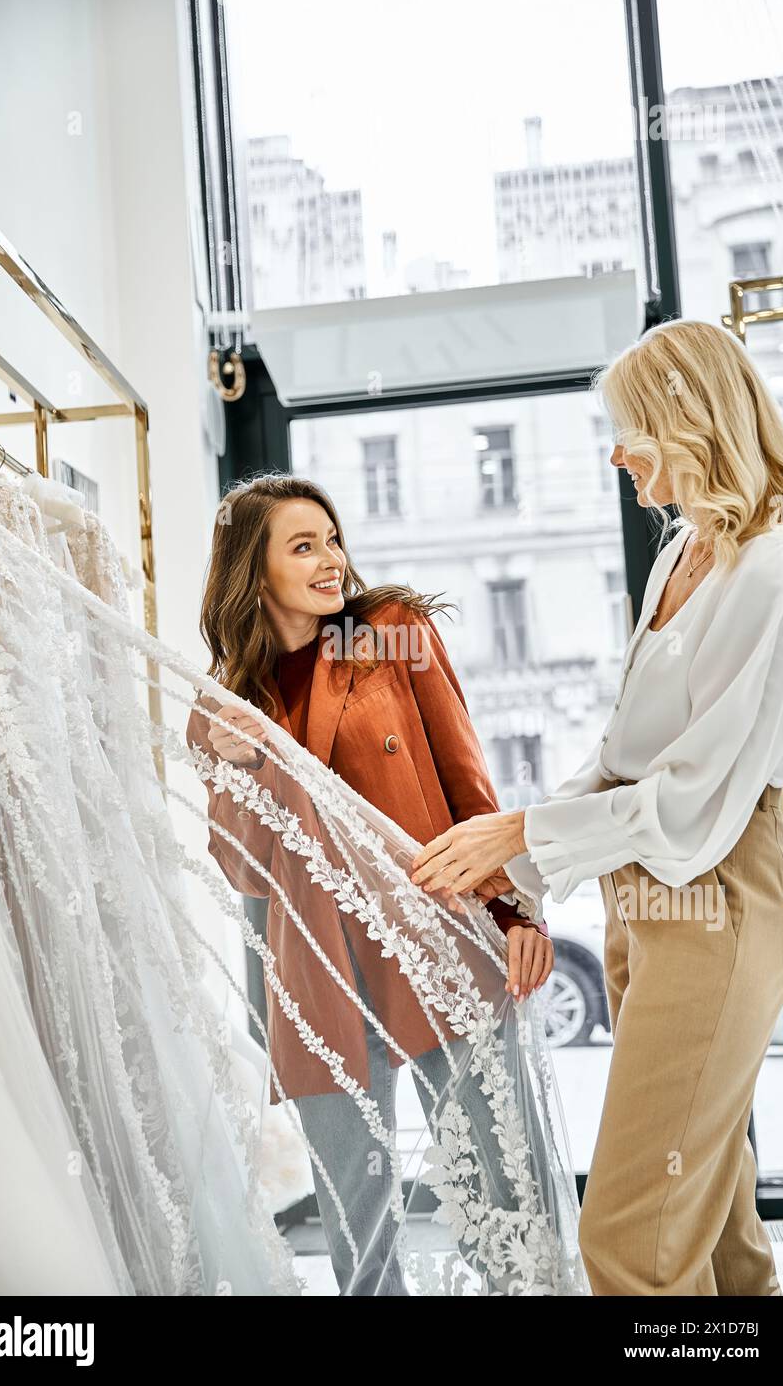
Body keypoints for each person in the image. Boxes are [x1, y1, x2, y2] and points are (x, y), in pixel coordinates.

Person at [410, 318, 783, 1296]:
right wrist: (520, 849)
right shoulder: (682, 550)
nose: (615, 452)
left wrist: (525, 839)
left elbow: (697, 786)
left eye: (627, 428)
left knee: (627, 1236)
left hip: (717, 885)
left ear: (686, 421)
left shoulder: (772, 565)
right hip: (651, 887)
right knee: (710, 1223)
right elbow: (628, 752)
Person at [186, 473, 555, 1295]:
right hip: (320, 976)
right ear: (253, 566)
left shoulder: (392, 632)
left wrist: (511, 908)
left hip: (438, 943)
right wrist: (239, 765)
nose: (332, 561)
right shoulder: (224, 705)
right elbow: (244, 870)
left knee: (504, 1194)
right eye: (304, 545)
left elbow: (467, 785)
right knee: (360, 1230)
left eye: (333, 539)